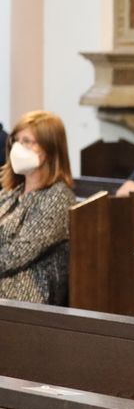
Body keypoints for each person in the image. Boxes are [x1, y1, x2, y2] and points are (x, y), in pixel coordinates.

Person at [0, 111, 75, 305]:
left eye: (27, 141)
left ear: (49, 149)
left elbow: (17, 253)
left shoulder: (58, 197)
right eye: (16, 141)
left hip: (28, 289)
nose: (17, 148)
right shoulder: (11, 192)